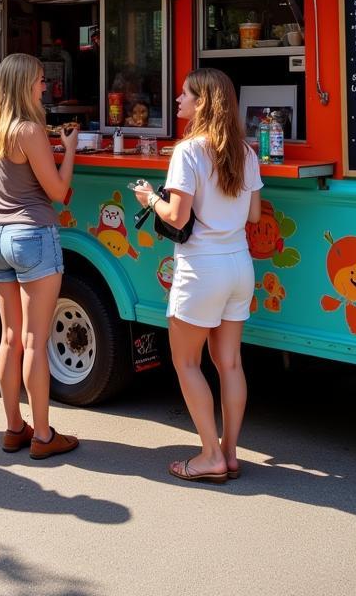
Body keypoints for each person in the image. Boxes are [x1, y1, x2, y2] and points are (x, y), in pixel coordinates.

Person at [131, 68, 262, 484]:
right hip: (240, 265)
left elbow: (177, 215)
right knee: (230, 364)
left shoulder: (188, 151)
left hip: (201, 268)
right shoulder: (246, 151)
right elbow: (255, 215)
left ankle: (208, 456)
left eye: (185, 94)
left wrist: (150, 197)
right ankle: (230, 451)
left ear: (203, 102)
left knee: (187, 362)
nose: (178, 100)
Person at [0, 53, 79, 460]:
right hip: (32, 234)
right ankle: (44, 435)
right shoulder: (29, 130)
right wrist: (67, 149)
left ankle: (15, 428)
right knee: (36, 339)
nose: (43, 86)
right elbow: (56, 191)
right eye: (38, 80)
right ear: (22, 85)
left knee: (10, 337)